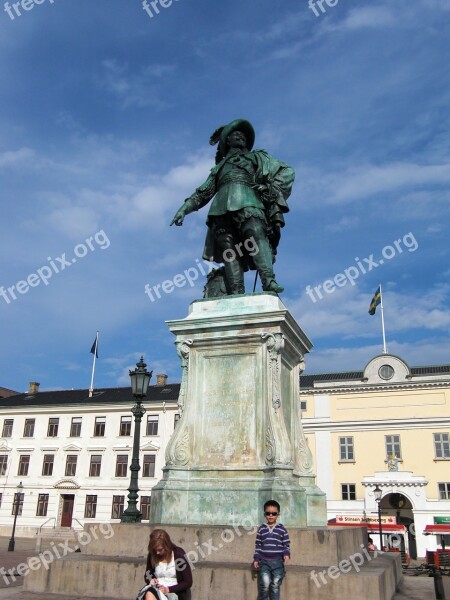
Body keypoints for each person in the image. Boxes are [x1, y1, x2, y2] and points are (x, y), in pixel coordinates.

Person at [170, 119, 295, 295]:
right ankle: (236, 292)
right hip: (220, 209)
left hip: (249, 201)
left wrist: (271, 188)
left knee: (256, 236)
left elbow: (287, 171)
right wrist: (184, 209)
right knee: (229, 250)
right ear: (227, 141)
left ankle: (269, 281)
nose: (241, 137)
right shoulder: (219, 167)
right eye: (236, 134)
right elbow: (203, 193)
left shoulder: (257, 157)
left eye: (243, 135)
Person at [137, 529, 193, 600]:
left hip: (175, 592)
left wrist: (168, 589)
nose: (157, 552)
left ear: (167, 546)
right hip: (157, 589)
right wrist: (151, 579)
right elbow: (147, 574)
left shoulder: (178, 555)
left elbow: (188, 582)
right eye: (155, 549)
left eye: (160, 550)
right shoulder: (152, 555)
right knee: (149, 593)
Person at [252, 500, 290, 600]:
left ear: (278, 515)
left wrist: (286, 554)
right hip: (264, 562)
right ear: (265, 514)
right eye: (268, 513)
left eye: (274, 513)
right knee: (264, 585)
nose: (271, 515)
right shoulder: (262, 529)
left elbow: (286, 544)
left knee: (275, 585)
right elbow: (258, 545)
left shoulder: (282, 529)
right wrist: (256, 559)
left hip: (278, 562)